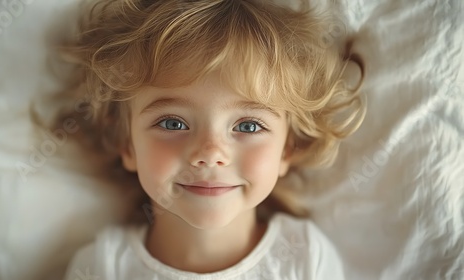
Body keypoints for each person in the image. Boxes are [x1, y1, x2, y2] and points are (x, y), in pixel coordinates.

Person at [57, 0, 365, 279]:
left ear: (286, 149)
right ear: (128, 144)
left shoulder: (306, 258)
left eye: (248, 127)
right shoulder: (103, 266)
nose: (210, 153)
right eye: (173, 122)